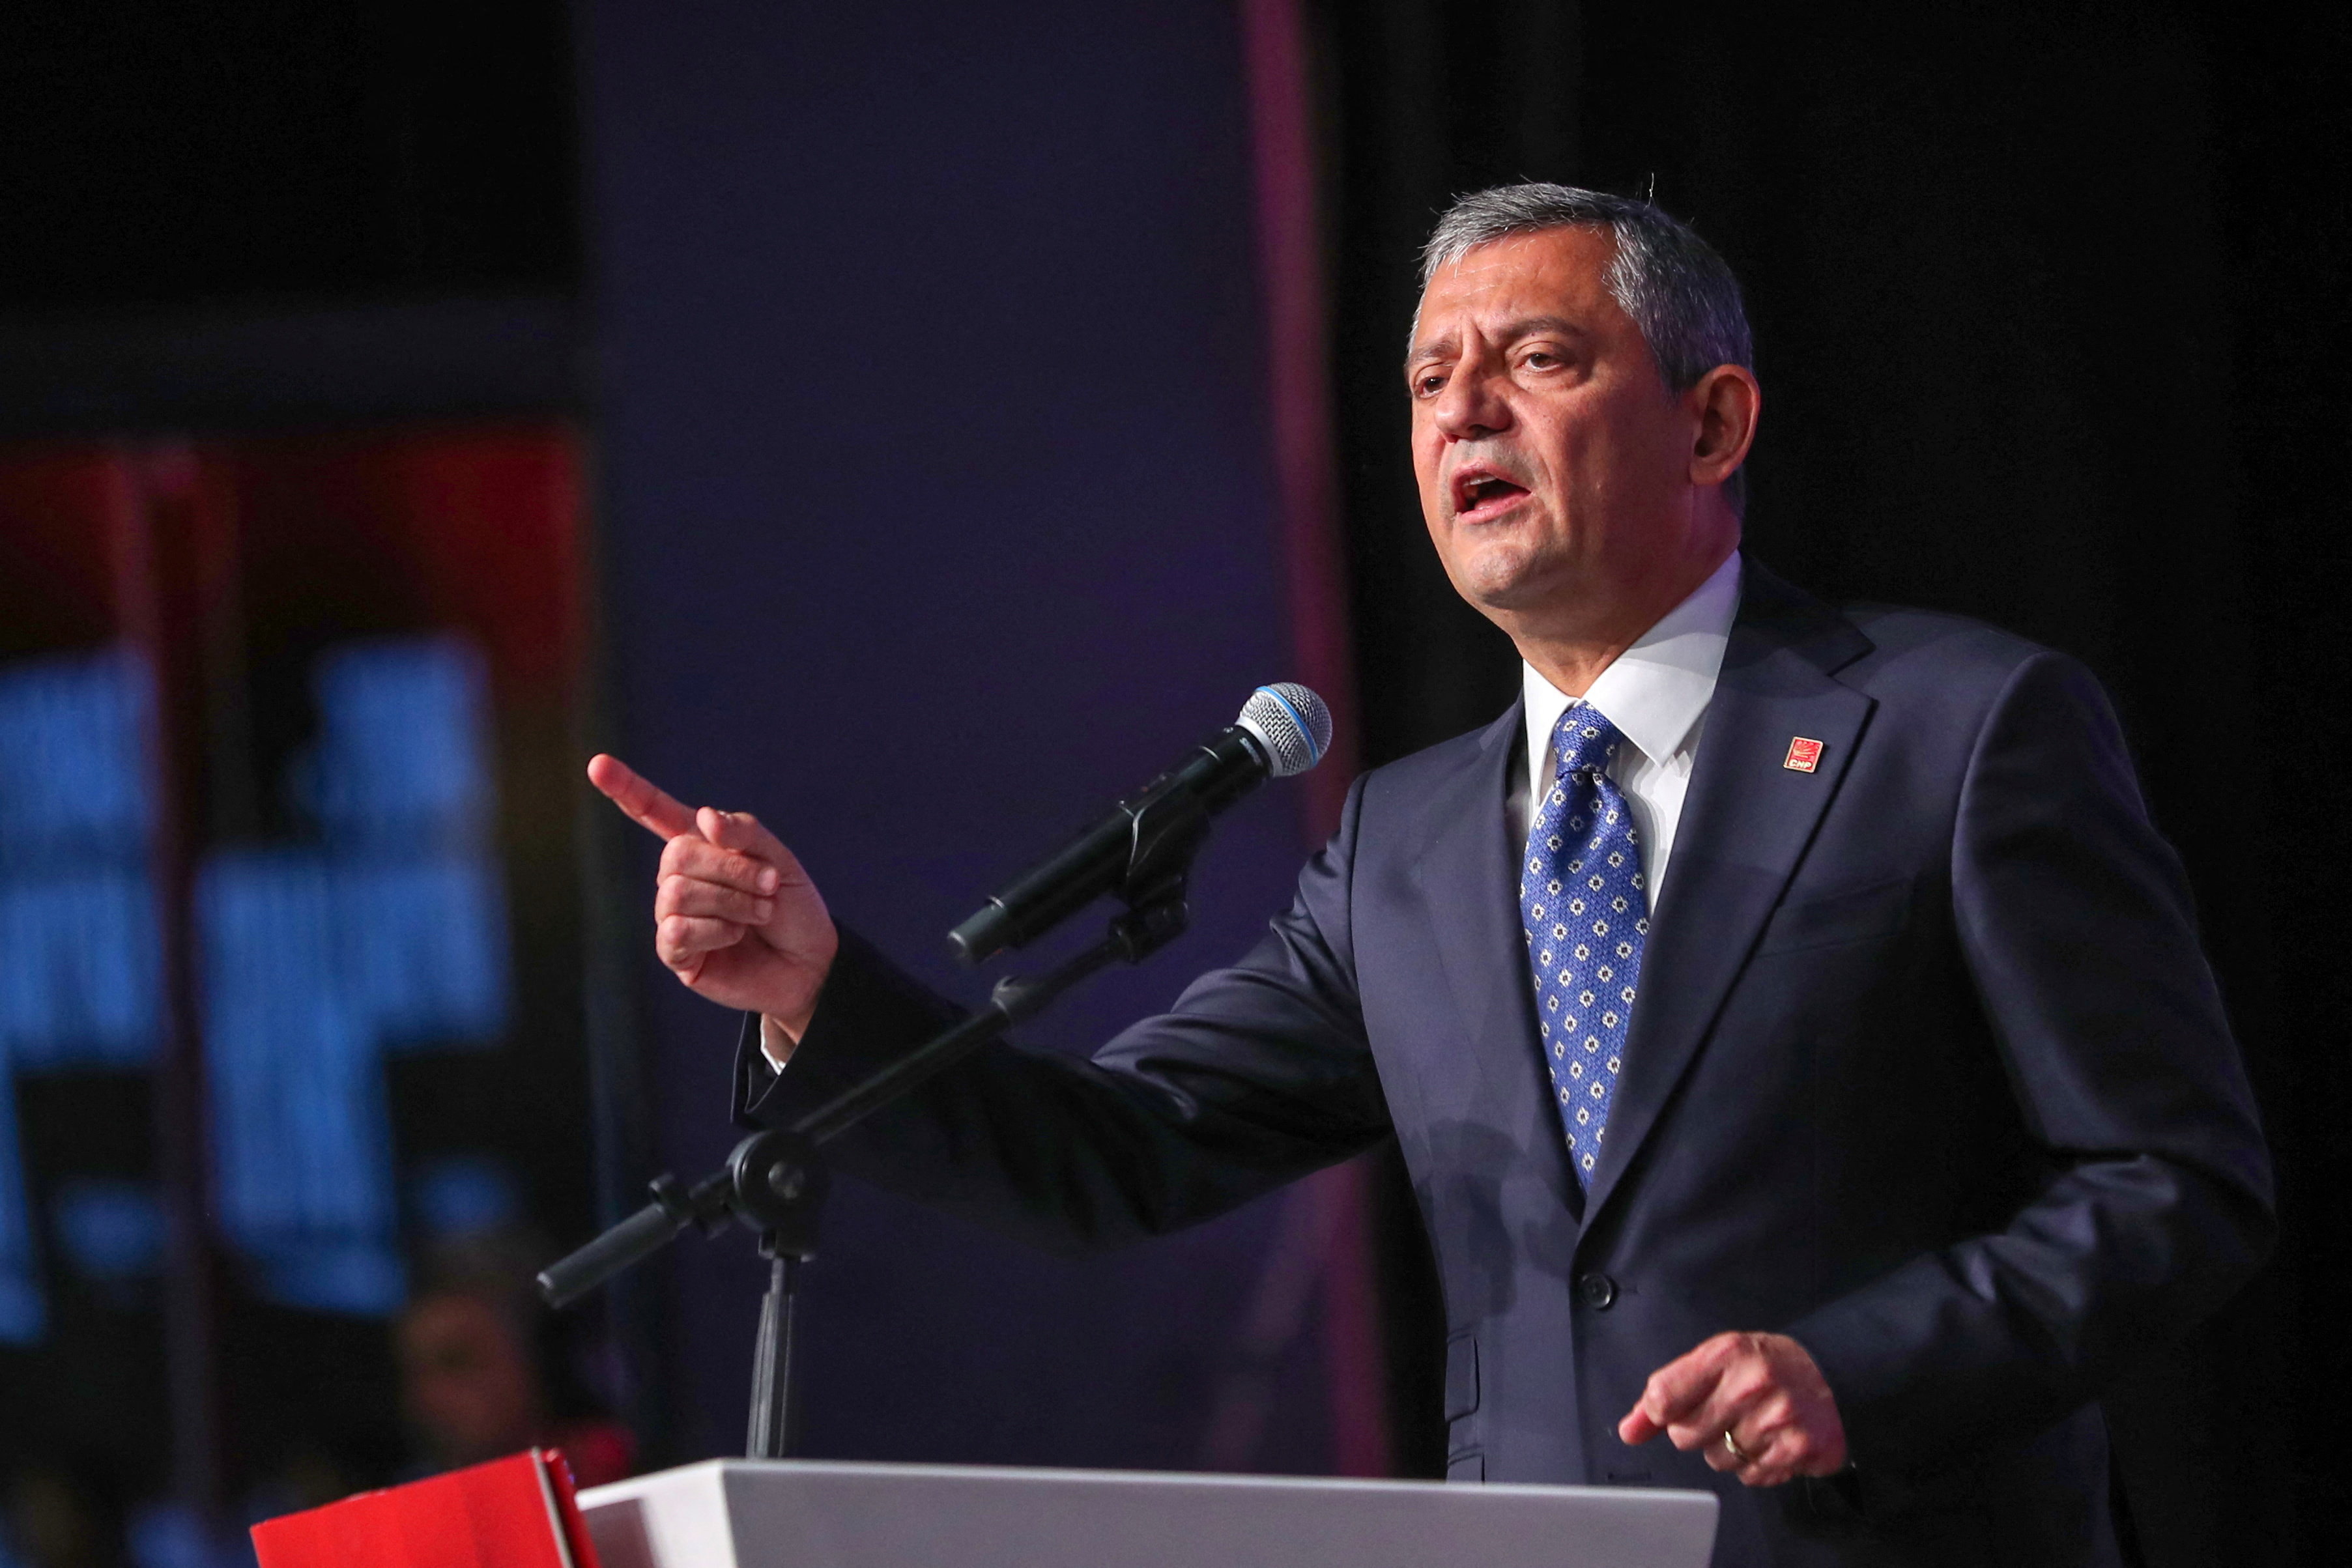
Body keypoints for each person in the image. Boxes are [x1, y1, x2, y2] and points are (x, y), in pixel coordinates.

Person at [588, 184, 2273, 1566]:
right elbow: (1110, 1161)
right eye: (1426, 379)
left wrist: (1861, 1368)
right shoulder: (1406, 842)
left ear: (1711, 420)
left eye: (1534, 358)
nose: (1463, 407)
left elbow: (2169, 1182)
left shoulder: (1958, 730)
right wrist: (816, 988)